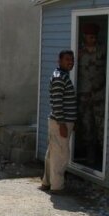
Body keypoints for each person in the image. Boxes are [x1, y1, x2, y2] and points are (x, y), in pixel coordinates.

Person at [41, 50, 77, 195]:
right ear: (59, 61)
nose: (70, 62)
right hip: (59, 123)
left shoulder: (63, 76)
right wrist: (62, 124)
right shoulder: (59, 78)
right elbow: (57, 103)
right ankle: (57, 187)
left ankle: (47, 182)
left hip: (61, 122)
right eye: (67, 59)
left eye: (72, 60)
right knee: (60, 155)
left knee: (53, 153)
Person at [76, 23, 106, 164]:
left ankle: (104, 158)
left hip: (100, 96)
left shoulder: (103, 50)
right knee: (87, 127)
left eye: (94, 37)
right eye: (90, 37)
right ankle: (90, 157)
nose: (93, 39)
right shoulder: (78, 53)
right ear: (84, 37)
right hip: (84, 97)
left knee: (102, 127)